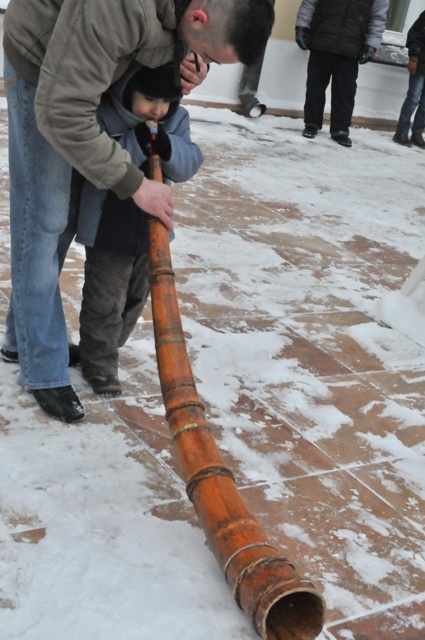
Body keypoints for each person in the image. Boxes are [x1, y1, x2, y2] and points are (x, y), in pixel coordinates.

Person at [1, 0, 275, 424]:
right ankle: (42, 366)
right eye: (206, 54)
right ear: (198, 18)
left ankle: (22, 339)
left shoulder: (180, 15)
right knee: (46, 217)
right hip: (43, 69)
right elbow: (62, 111)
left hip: (85, 62)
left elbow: (157, 35)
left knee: (58, 216)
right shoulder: (118, 7)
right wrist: (134, 184)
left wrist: (184, 63)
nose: (200, 63)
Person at [67, 63, 203, 397]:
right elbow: (98, 167)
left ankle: (101, 346)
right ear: (129, 90)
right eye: (149, 99)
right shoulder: (104, 115)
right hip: (109, 229)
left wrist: (168, 146)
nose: (157, 110)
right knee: (105, 301)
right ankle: (99, 364)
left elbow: (189, 163)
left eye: (165, 101)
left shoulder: (175, 120)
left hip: (151, 231)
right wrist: (138, 142)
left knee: (135, 297)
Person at [295, 0, 389, 147]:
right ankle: (312, 123)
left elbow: (378, 18)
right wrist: (302, 27)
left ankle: (340, 129)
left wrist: (372, 44)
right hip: (322, 40)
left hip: (351, 47)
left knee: (345, 92)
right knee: (315, 86)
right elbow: (310, 3)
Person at [393, 11, 425, 149]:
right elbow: (415, 37)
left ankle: (417, 134)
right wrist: (414, 58)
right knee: (413, 99)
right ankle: (401, 132)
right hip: (421, 64)